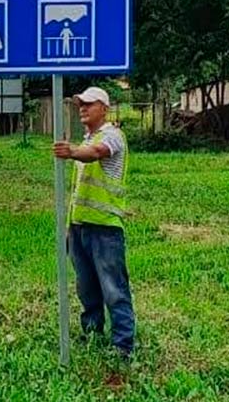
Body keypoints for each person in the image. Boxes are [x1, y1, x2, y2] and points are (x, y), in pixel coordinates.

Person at [53, 86, 135, 359]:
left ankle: (123, 345)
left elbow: (97, 152)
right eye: (80, 104)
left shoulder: (113, 136)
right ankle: (92, 333)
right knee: (86, 287)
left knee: (114, 289)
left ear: (104, 108)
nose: (83, 108)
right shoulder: (88, 139)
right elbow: (78, 190)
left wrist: (73, 151)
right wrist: (69, 228)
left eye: (89, 104)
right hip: (80, 227)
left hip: (105, 228)